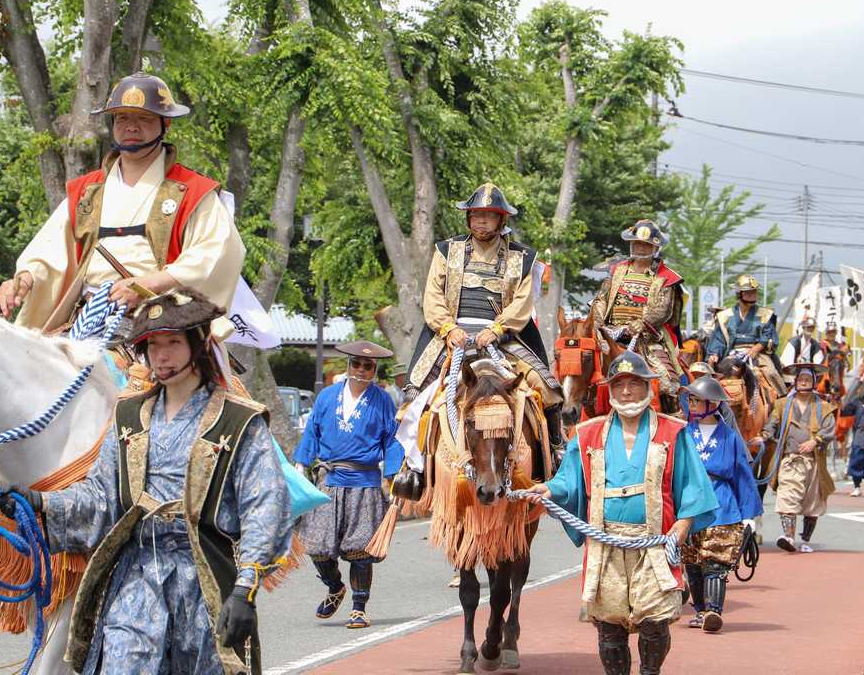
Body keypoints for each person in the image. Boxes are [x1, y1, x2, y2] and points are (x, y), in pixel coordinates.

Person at [0, 288, 291, 674]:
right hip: (135, 578)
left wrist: (245, 590)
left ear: (198, 344)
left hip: (203, 582)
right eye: (152, 345)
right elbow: (101, 497)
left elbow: (265, 505)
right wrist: (41, 504)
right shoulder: (129, 416)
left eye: (172, 342)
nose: (161, 355)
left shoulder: (238, 421)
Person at [0, 72, 245, 331]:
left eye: (144, 118)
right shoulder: (87, 191)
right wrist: (25, 278)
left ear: (165, 124)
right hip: (86, 318)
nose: (131, 126)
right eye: (122, 117)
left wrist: (147, 285)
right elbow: (50, 253)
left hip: (162, 322)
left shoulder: (193, 191)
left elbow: (215, 255)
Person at [524, 350, 718, 675]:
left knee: (656, 622)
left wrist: (682, 527)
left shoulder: (674, 432)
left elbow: (694, 487)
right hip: (607, 545)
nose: (626, 391)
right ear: (609, 390)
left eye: (635, 383)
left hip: (654, 544)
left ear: (648, 387)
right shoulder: (588, 434)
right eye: (619, 384)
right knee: (610, 628)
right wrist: (549, 489)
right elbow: (569, 478)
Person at [406, 182, 564, 454]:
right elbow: (433, 295)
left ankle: (556, 450)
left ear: (501, 219)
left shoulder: (523, 257)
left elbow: (522, 303)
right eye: (476, 214)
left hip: (502, 339)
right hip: (451, 338)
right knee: (413, 393)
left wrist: (497, 328)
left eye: (489, 215)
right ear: (468, 218)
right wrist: (447, 328)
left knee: (547, 389)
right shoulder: (446, 250)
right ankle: (411, 469)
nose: (481, 221)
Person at [293, 341, 404, 629]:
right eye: (357, 363)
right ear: (348, 365)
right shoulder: (327, 396)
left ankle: (358, 607)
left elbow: (391, 441)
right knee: (317, 546)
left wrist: (394, 477)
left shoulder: (382, 400)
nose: (362, 370)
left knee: (359, 549)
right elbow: (312, 432)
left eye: (368, 366)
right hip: (328, 480)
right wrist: (300, 465)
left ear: (375, 369)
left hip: (364, 482)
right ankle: (334, 587)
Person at [679, 375, 762, 633]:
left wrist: (749, 515)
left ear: (713, 403)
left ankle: (714, 612)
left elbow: (741, 474)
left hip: (722, 503)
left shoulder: (730, 437)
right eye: (690, 399)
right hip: (691, 503)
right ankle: (700, 610)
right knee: (692, 561)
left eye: (698, 400)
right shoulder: (682, 434)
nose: (691, 404)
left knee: (715, 561)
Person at [590, 219, 687, 387]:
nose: (641, 248)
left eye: (646, 245)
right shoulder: (616, 270)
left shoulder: (667, 276)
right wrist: (598, 326)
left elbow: (664, 308)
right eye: (637, 244)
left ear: (656, 248)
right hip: (609, 334)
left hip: (646, 339)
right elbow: (601, 299)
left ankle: (674, 412)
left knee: (668, 382)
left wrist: (643, 323)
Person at [757, 362, 836, 553]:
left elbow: (829, 429)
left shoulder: (824, 407)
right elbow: (772, 424)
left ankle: (806, 539)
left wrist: (815, 441)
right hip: (790, 460)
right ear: (795, 382)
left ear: (814, 382)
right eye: (800, 379)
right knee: (787, 496)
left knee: (812, 503)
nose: (803, 382)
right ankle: (789, 537)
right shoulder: (782, 404)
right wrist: (764, 436)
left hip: (813, 461)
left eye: (807, 379)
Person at [705, 275, 785, 395]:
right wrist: (715, 353)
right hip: (732, 353)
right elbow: (719, 338)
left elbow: (768, 334)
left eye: (754, 292)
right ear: (739, 294)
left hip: (757, 353)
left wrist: (757, 348)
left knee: (771, 373)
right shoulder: (725, 316)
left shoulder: (765, 314)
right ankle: (711, 403)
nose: (753, 295)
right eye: (749, 293)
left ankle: (779, 402)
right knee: (717, 373)